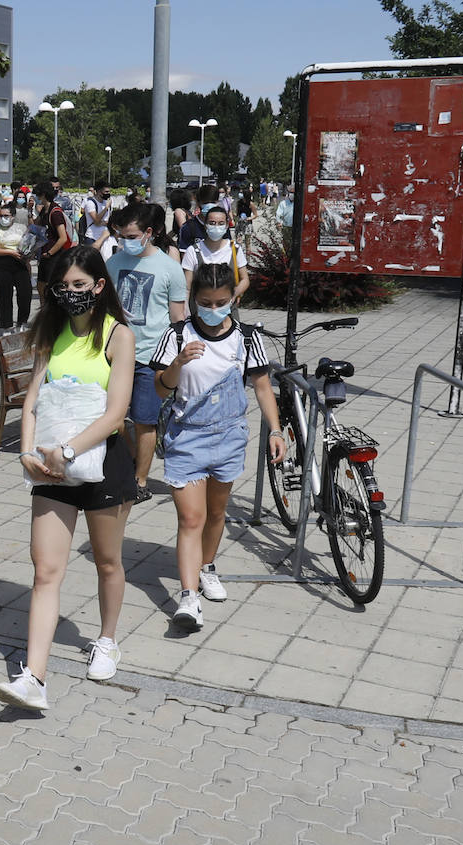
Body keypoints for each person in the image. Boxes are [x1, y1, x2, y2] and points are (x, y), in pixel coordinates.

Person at [0, 246, 137, 711]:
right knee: (46, 571)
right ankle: (34, 677)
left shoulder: (119, 336)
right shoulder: (50, 332)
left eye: (80, 285)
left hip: (101, 466)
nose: (71, 294)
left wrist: (70, 451)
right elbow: (33, 397)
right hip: (50, 467)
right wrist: (29, 453)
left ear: (98, 285)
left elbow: (117, 414)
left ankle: (108, 639)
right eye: (63, 287)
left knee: (107, 560)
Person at [151, 262, 285, 630]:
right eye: (206, 302)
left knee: (215, 514)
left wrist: (275, 430)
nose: (213, 309)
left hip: (229, 437)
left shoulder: (246, 338)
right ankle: (188, 597)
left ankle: (207, 567)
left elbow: (261, 387)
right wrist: (177, 363)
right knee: (190, 519)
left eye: (221, 302)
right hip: (186, 438)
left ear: (233, 299)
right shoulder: (177, 335)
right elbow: (161, 388)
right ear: (194, 300)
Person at [104, 201, 188, 501]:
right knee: (111, 417)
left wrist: (176, 363)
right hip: (113, 354)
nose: (124, 241)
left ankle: (140, 481)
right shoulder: (113, 264)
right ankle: (129, 464)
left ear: (148, 233)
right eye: (120, 235)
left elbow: (178, 319)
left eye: (130, 235)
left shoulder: (169, 268)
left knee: (144, 420)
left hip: (151, 358)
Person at [180, 205, 249, 302]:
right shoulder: (193, 251)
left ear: (226, 226)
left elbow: (245, 279)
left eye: (221, 223)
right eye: (212, 223)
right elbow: (187, 286)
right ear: (205, 225)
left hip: (228, 310)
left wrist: (234, 293)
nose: (216, 227)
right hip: (199, 310)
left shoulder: (235, 249)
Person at [0, 198, 32, 332]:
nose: (3, 218)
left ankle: (22, 323)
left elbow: (27, 243)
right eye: (1, 215)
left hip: (20, 263)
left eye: (6, 216)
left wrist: (28, 254)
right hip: (3, 263)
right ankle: (5, 326)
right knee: (4, 296)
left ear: (13, 216)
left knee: (25, 293)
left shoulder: (21, 228)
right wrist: (9, 252)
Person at [29, 182, 74, 303]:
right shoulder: (45, 210)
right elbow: (34, 226)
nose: (36, 197)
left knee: (52, 290)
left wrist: (50, 253)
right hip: (45, 256)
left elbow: (63, 238)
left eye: (38, 194)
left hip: (54, 257)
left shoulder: (55, 213)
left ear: (43, 194)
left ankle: (53, 317)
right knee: (41, 287)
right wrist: (30, 210)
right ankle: (44, 315)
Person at [80, 182, 113, 248]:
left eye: (109, 192)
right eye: (106, 192)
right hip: (92, 237)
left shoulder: (106, 202)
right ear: (98, 191)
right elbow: (97, 221)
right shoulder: (90, 203)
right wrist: (106, 208)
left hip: (105, 237)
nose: (108, 194)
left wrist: (105, 223)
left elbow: (109, 220)